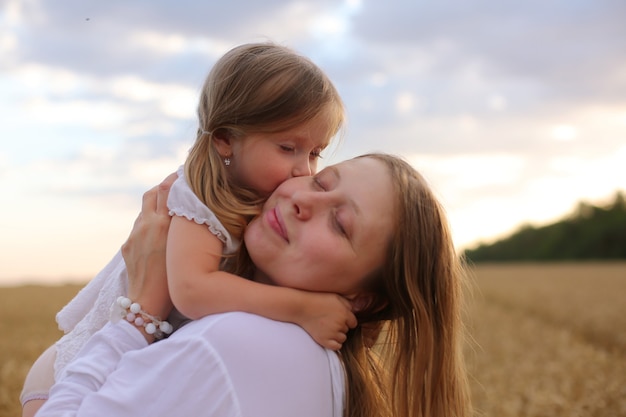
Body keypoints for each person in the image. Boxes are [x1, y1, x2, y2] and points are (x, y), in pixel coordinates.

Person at [20, 42, 352, 417]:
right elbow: (193, 290)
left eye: (315, 152)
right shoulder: (197, 196)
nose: (304, 170)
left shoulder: (259, 198)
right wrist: (302, 309)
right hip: (75, 371)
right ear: (225, 138)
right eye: (288, 147)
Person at [35, 153, 472, 417]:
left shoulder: (237, 342)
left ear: (360, 298)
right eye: (321, 181)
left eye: (340, 223)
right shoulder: (320, 360)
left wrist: (140, 311)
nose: (303, 200)